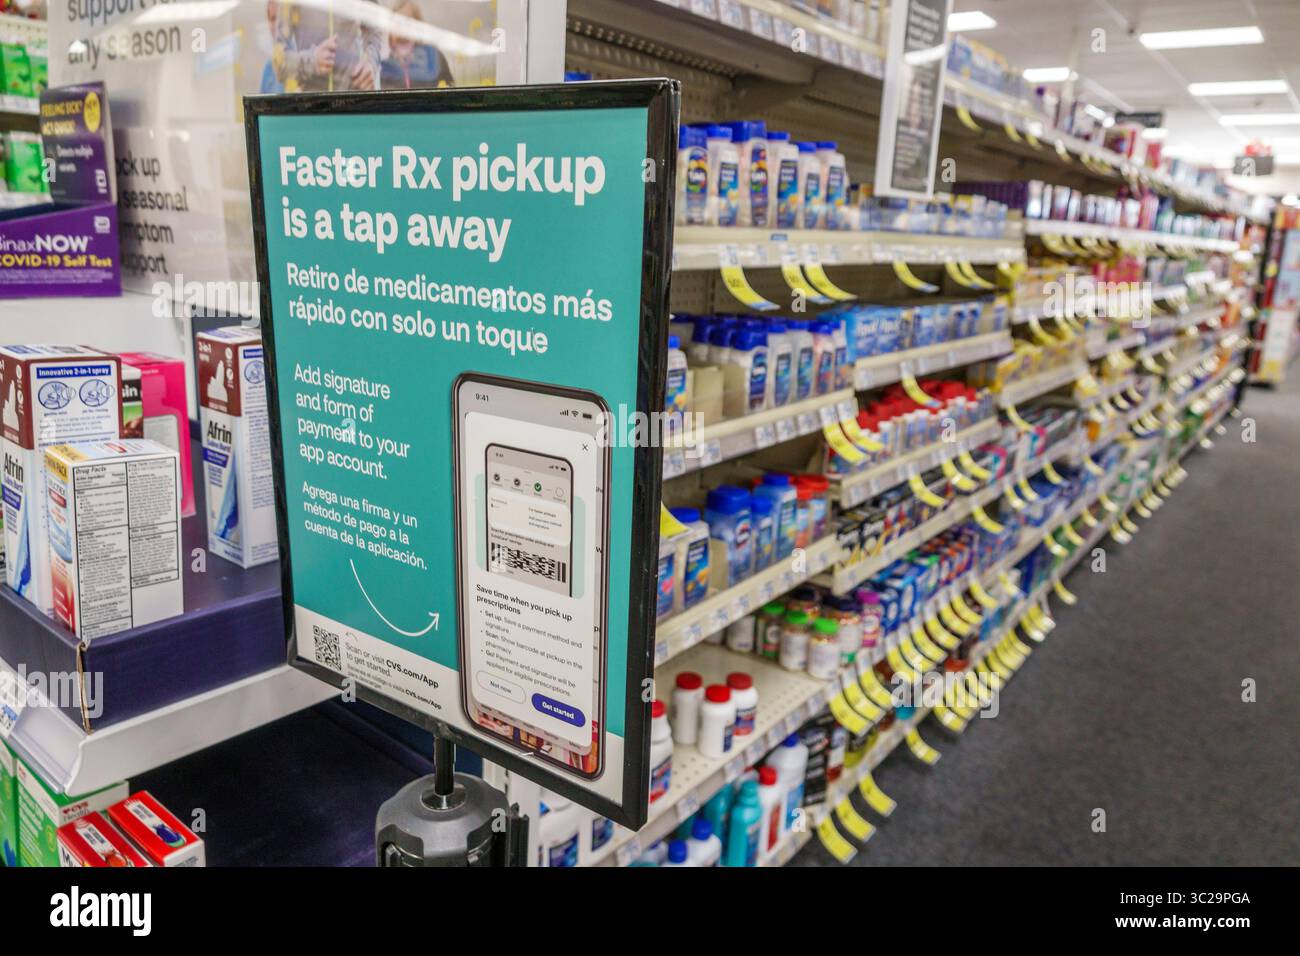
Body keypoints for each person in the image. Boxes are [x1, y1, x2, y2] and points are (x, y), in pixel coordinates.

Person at [269, 0, 381, 93]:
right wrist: (313, 60)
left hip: (353, 103)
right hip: (310, 108)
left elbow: (374, 31)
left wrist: (370, 63)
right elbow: (279, 64)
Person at [380, 0, 455, 90]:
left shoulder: (434, 58)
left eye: (407, 22)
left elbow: (450, 87)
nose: (402, 30)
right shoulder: (386, 68)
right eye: (397, 24)